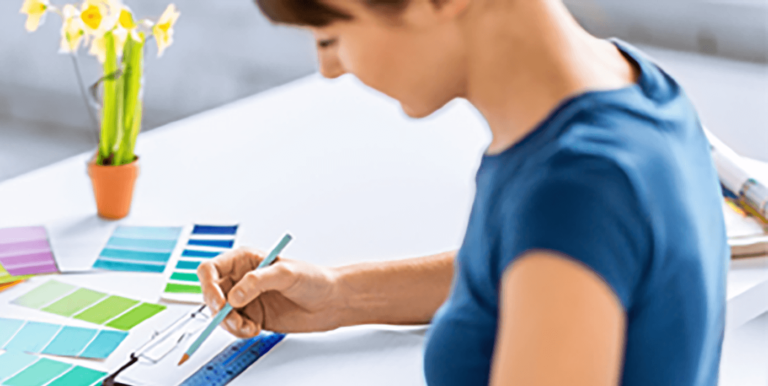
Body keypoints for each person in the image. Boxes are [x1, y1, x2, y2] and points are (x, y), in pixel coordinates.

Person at [198, 0, 729, 385]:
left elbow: (566, 233)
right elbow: (537, 266)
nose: (329, 68)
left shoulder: (575, 187)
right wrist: (337, 295)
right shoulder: (630, 83)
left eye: (331, 35)